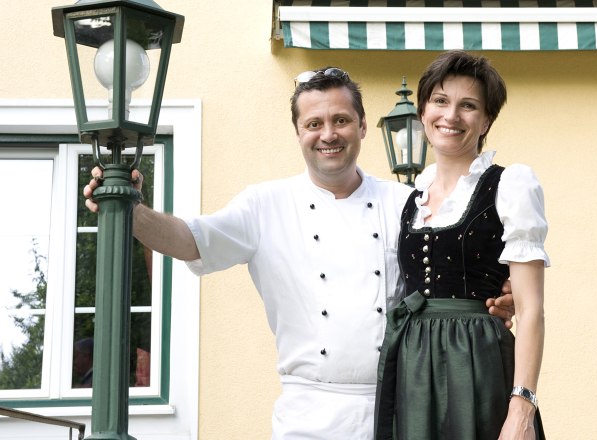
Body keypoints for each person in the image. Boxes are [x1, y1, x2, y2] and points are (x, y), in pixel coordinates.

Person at [84, 67, 517, 439]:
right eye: (314, 124)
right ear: (298, 133)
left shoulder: (406, 202)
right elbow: (189, 238)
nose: (328, 134)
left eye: (341, 120)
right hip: (307, 412)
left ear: (363, 126)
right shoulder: (263, 205)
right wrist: (130, 209)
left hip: (398, 405)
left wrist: (499, 294)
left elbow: (451, 268)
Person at [374, 50, 549, 440]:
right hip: (415, 366)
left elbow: (531, 309)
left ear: (486, 120)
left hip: (478, 361)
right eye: (440, 101)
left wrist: (522, 408)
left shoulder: (510, 186)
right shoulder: (409, 199)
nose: (451, 116)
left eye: (467, 106)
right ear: (422, 112)